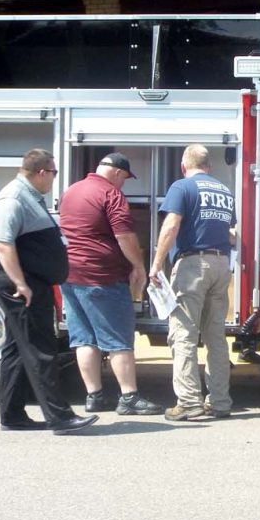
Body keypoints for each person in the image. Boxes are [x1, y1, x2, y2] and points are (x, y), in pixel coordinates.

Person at [0, 149, 97, 435]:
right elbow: (2, 243)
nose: (54, 179)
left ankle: (12, 414)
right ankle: (60, 417)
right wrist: (21, 283)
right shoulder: (12, 198)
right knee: (41, 350)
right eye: (54, 172)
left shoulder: (28, 196)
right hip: (23, 286)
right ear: (41, 172)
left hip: (32, 283)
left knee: (16, 349)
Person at [59, 152, 161, 416]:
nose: (123, 184)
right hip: (101, 276)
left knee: (83, 339)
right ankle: (129, 397)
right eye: (125, 178)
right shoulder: (111, 195)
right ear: (117, 173)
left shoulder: (72, 191)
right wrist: (138, 266)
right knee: (118, 340)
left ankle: (94, 396)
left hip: (70, 274)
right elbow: (125, 236)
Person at [150, 144, 235, 421]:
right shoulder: (223, 190)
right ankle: (220, 402)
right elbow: (232, 232)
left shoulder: (182, 187)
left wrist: (156, 264)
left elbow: (172, 225)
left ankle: (188, 402)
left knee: (183, 333)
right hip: (221, 264)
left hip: (192, 265)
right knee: (216, 337)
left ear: (184, 166)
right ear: (208, 166)